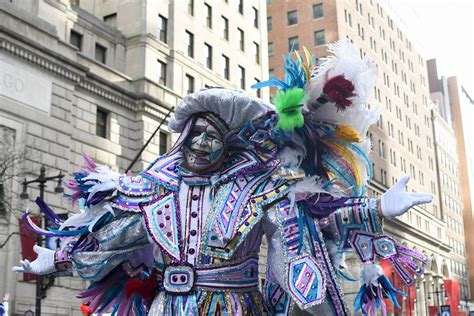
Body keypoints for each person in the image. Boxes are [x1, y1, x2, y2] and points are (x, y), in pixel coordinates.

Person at [14, 41, 432, 315]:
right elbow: (115, 236)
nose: (199, 145)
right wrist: (57, 258)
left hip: (234, 307)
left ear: (227, 143)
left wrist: (377, 207)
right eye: (193, 136)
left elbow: (309, 227)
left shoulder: (258, 188)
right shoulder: (161, 189)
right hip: (167, 308)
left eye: (211, 138)